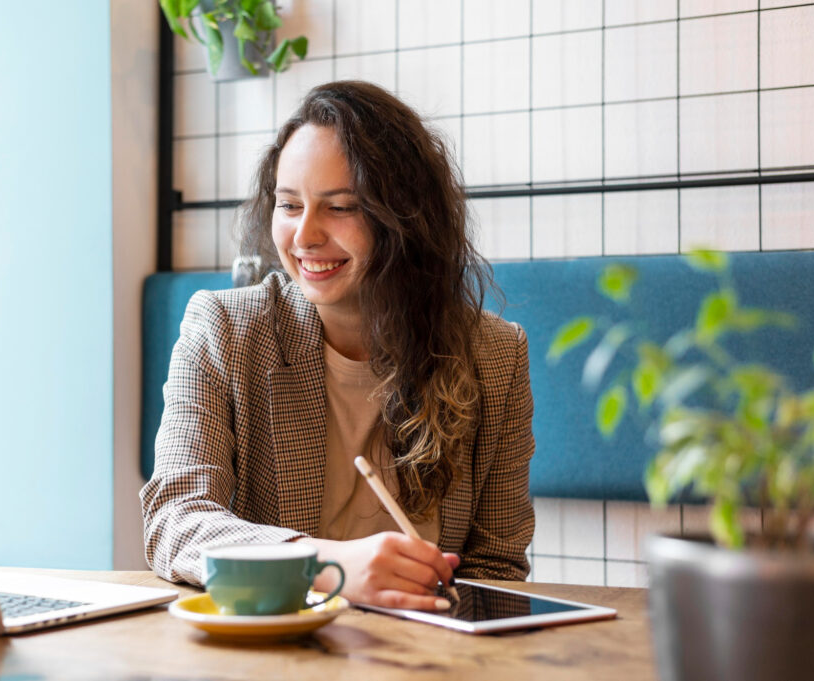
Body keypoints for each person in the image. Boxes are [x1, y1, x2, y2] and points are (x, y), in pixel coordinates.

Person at [141, 80, 534, 612]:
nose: (304, 235)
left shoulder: (496, 355)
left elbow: (497, 570)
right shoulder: (225, 330)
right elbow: (175, 521)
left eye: (341, 207)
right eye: (289, 205)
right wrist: (327, 566)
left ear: (406, 219)